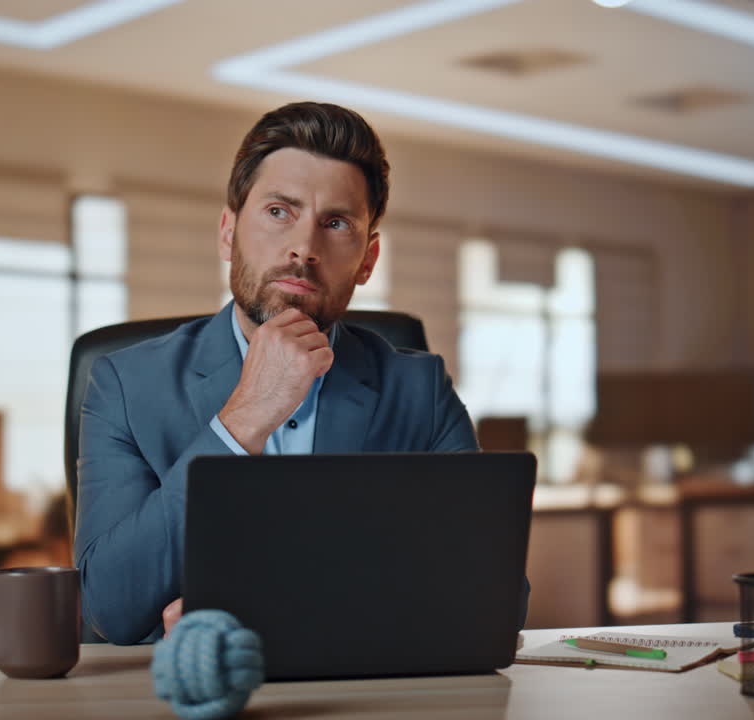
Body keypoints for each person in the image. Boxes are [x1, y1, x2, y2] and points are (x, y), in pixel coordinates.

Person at [74, 102, 492, 644]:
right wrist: (242, 420)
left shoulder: (421, 391)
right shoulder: (125, 385)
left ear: (367, 260)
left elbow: (488, 596)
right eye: (278, 211)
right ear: (228, 233)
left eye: (336, 223)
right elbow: (109, 607)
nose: (304, 247)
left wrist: (266, 607)